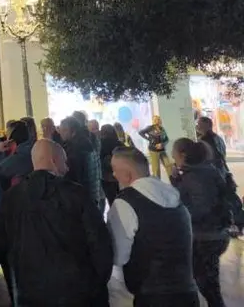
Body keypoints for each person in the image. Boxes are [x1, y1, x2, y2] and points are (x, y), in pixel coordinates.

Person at [0, 139, 113, 307]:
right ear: (54, 161)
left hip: (31, 288)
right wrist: (97, 284)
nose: (68, 167)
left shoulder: (11, 196)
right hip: (78, 290)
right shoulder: (76, 194)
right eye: (65, 161)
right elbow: (99, 243)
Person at [107, 147, 198, 306]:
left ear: (128, 174)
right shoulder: (175, 196)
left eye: (114, 170)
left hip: (152, 296)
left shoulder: (126, 202)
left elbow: (118, 255)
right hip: (188, 291)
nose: (113, 175)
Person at [170, 138, 232, 307]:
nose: (172, 156)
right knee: (208, 284)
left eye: (174, 153)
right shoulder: (202, 171)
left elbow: (202, 208)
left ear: (182, 154)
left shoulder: (196, 175)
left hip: (206, 236)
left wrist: (179, 217)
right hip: (212, 234)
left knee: (208, 285)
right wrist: (176, 180)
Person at [59, 117, 104, 212]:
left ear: (73, 130)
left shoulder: (77, 147)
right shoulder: (86, 141)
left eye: (64, 130)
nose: (61, 133)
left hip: (83, 196)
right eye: (60, 129)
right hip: (91, 194)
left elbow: (77, 175)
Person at [0, 120, 33, 191]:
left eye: (7, 136)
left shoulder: (17, 159)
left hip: (15, 199)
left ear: (11, 140)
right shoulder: (33, 152)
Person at [98, 124, 122, 205]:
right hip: (119, 176)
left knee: (111, 201)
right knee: (123, 199)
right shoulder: (119, 143)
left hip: (106, 177)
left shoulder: (99, 144)